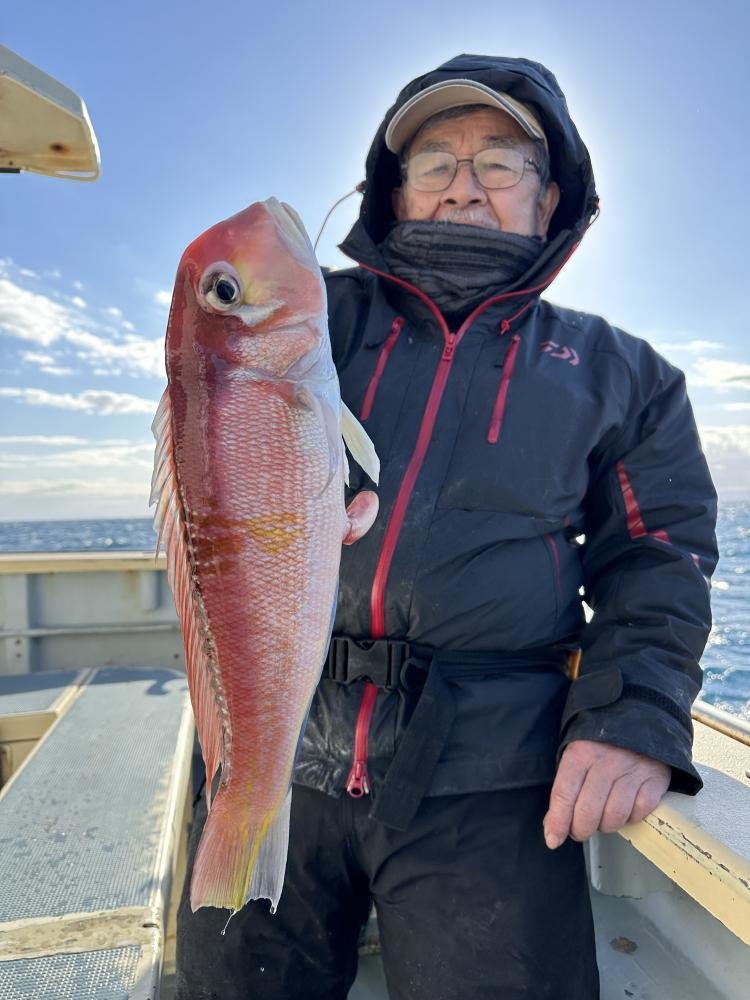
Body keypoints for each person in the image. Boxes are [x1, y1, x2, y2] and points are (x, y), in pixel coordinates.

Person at [175, 54, 718, 1000]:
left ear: (550, 199)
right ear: (394, 192)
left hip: (493, 777)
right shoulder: (315, 322)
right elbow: (217, 472)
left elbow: (658, 557)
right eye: (434, 162)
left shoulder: (622, 373)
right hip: (281, 742)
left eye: (499, 163)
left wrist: (634, 715)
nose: (463, 187)